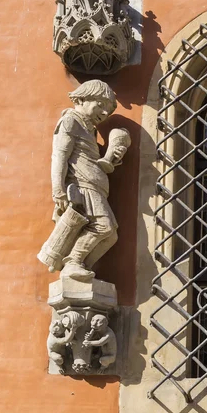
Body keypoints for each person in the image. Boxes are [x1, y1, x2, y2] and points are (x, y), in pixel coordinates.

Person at [47, 80, 124, 280]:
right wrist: (58, 190)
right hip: (83, 188)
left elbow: (87, 159)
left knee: (111, 236)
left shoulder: (89, 129)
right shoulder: (70, 121)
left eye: (108, 109)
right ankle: (73, 261)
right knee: (104, 227)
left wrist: (110, 159)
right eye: (101, 105)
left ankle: (79, 268)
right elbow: (60, 156)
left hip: (95, 187)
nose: (105, 113)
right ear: (82, 98)